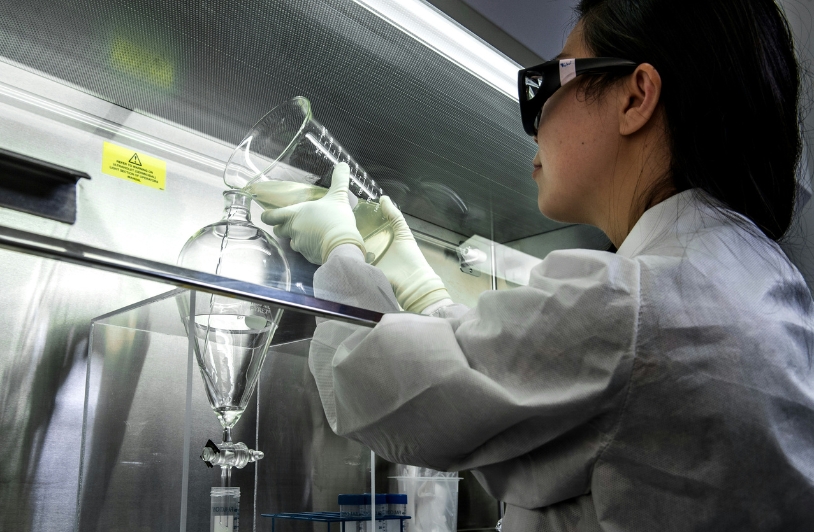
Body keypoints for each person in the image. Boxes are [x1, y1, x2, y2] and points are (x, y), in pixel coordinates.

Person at [259, 0, 814, 529]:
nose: (536, 122)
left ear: (635, 98)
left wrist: (339, 250)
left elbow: (382, 392)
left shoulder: (635, 300)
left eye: (547, 85)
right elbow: (513, 379)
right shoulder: (756, 279)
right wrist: (422, 289)